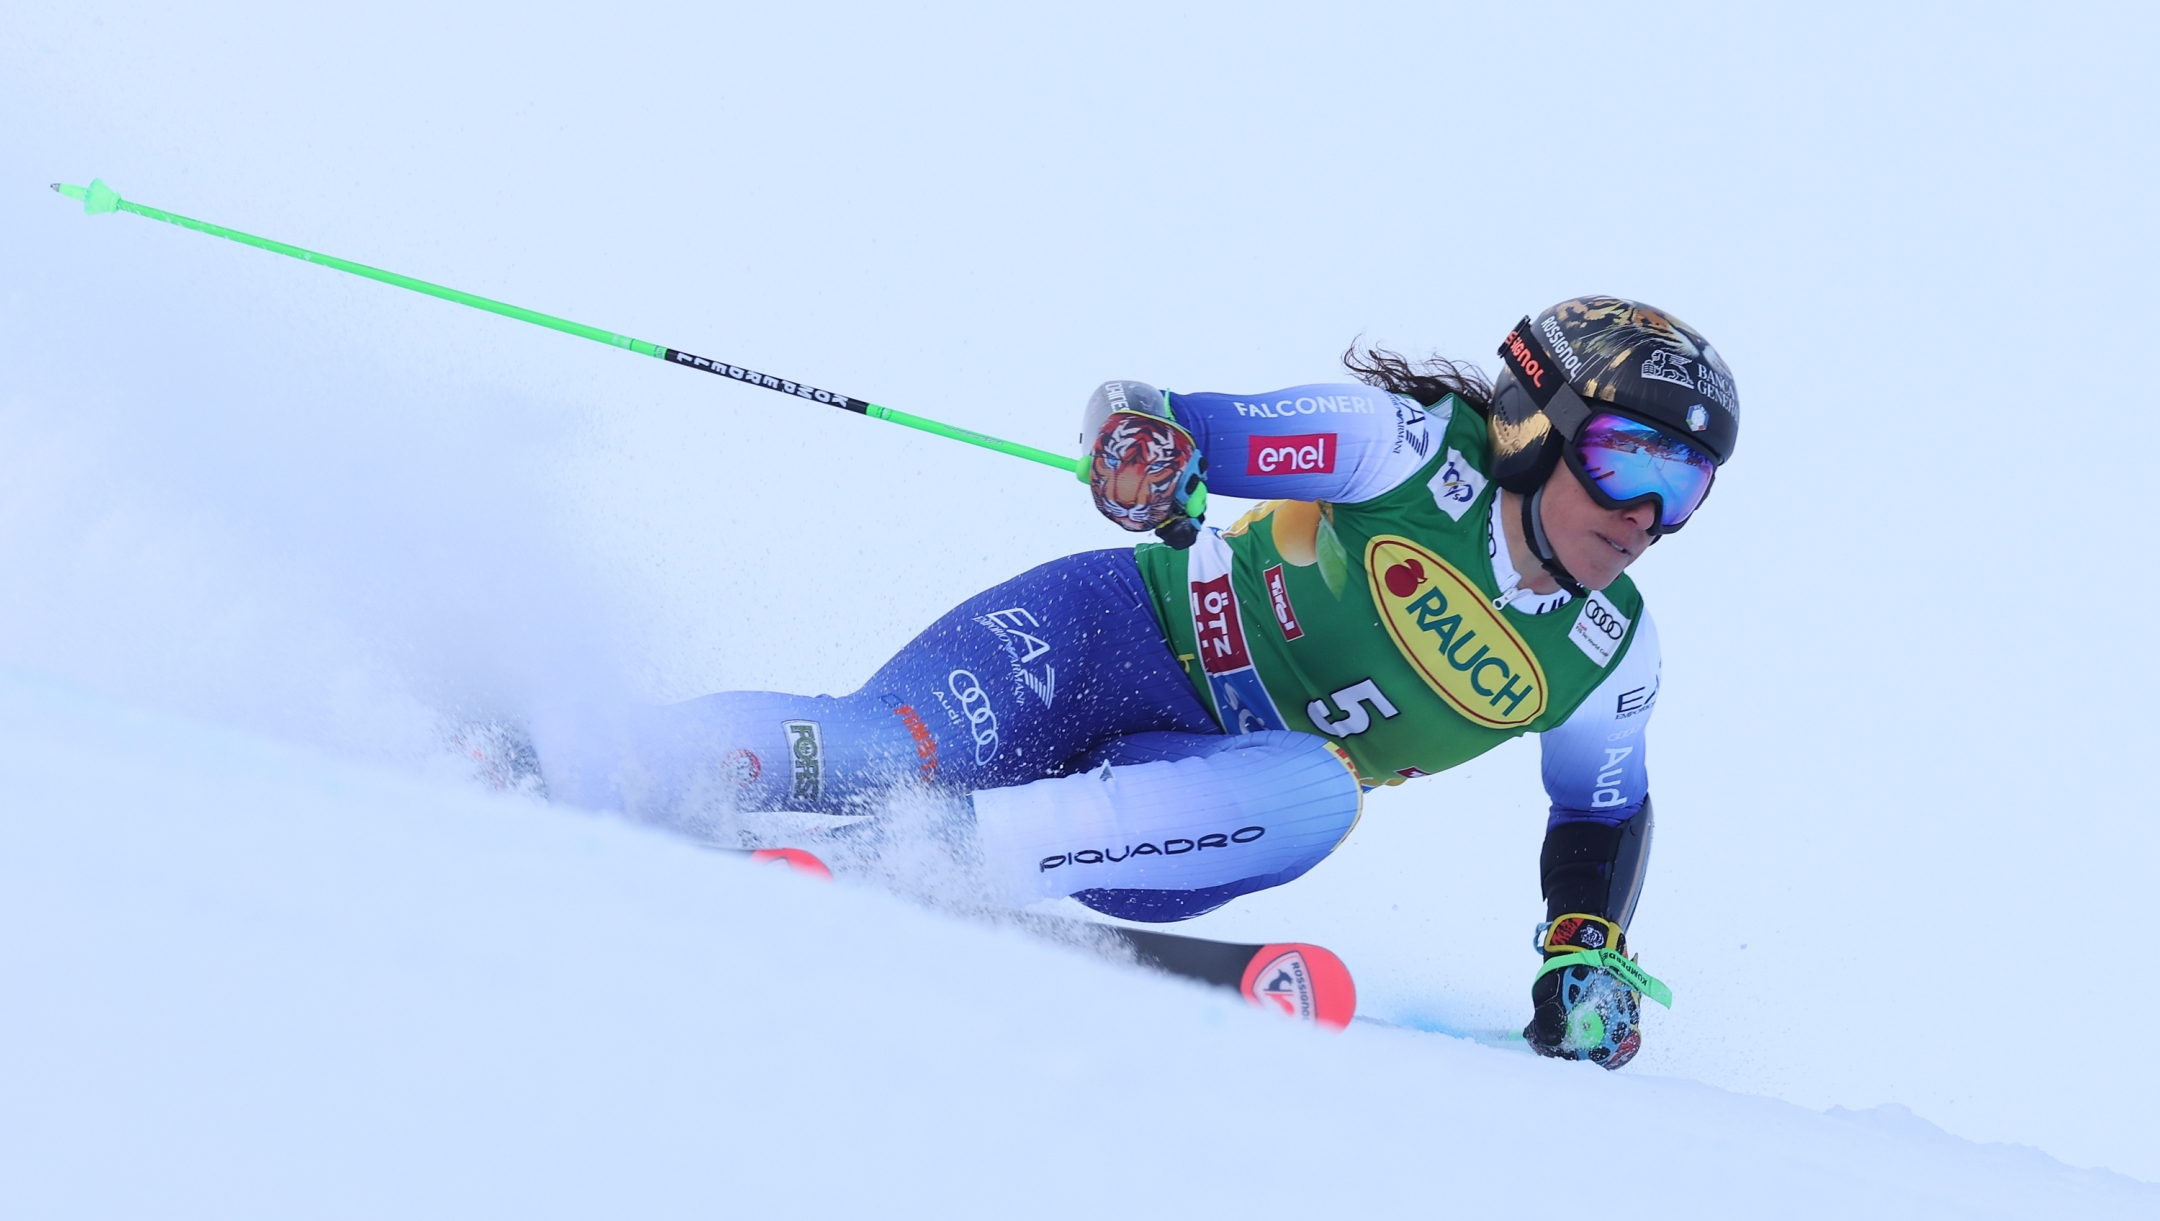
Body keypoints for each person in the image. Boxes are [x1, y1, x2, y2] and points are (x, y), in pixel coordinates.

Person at [533, 296, 1739, 1068]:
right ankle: (573, 752)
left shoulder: (1608, 654)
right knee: (877, 748)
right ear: (1535, 422)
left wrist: (1584, 946)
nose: (1644, 516)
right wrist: (1148, 449)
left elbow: (1599, 810)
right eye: (1627, 456)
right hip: (1106, 636)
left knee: (1323, 794)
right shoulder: (1407, 446)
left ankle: (922, 855)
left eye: (1684, 488)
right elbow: (1183, 422)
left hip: (1195, 807)